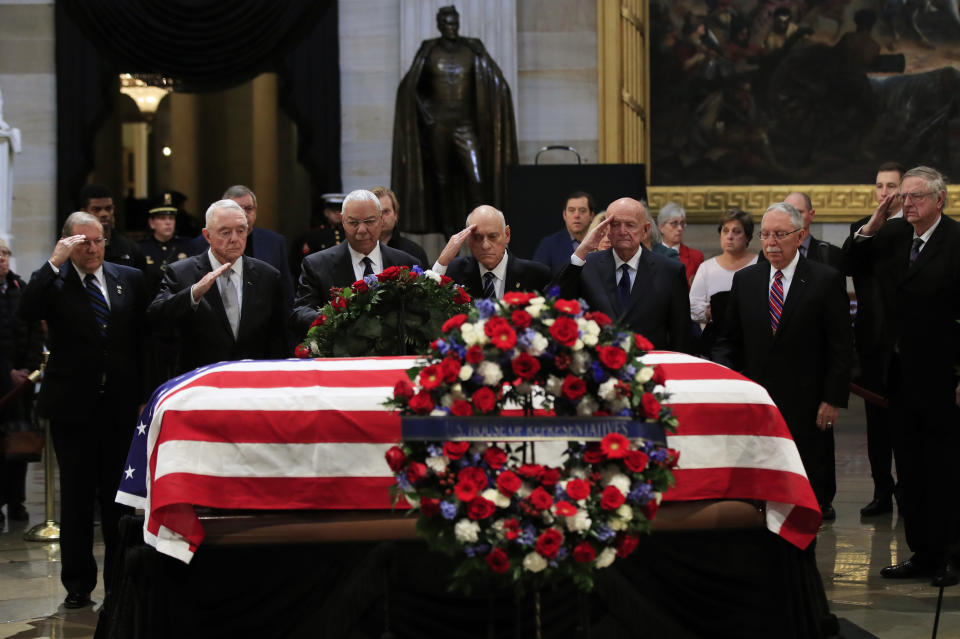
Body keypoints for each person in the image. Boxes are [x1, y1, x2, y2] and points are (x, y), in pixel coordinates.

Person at [20, 211, 147, 609]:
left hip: (120, 407)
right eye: (82, 242)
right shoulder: (54, 283)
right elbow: (25, 311)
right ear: (67, 243)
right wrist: (54, 261)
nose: (92, 249)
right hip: (73, 407)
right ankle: (77, 584)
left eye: (97, 240)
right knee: (76, 499)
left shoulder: (129, 279)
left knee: (118, 500)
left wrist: (145, 393)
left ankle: (118, 579)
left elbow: (144, 340)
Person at [844, 166, 960, 587]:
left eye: (915, 197)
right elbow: (848, 263)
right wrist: (874, 223)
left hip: (943, 375)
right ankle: (922, 552)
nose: (906, 204)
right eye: (903, 197)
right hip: (898, 375)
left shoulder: (955, 241)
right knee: (909, 468)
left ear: (939, 200)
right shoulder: (892, 235)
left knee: (945, 468)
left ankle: (952, 555)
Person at [713, 202, 852, 522]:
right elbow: (728, 341)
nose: (771, 242)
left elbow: (840, 346)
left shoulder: (825, 279)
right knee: (761, 483)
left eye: (780, 234)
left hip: (809, 400)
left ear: (800, 235)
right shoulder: (746, 280)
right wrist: (727, 382)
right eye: (765, 235)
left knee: (808, 486)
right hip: (758, 400)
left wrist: (832, 398)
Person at [391, 5, 518, 235]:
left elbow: (496, 81)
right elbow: (411, 88)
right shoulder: (429, 50)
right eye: (448, 23)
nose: (452, 28)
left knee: (477, 179)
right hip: (438, 126)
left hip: (465, 125)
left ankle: (483, 229)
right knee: (443, 181)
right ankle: (450, 234)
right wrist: (425, 112)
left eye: (455, 23)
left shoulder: (472, 49)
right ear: (440, 25)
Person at [148, 200, 287, 375]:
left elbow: (277, 338)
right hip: (200, 382)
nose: (234, 239)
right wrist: (194, 294)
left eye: (241, 231)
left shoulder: (267, 275)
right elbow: (156, 317)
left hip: (253, 382)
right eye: (225, 232)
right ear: (207, 236)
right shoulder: (182, 273)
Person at [554, 197, 690, 351]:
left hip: (651, 365)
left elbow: (681, 335)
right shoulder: (587, 266)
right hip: (599, 365)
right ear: (606, 229)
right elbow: (556, 301)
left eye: (630, 225)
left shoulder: (670, 271)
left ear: (645, 230)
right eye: (615, 225)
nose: (622, 231)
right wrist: (581, 252)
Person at [848, 161, 905, 517]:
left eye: (891, 187)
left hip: (907, 343)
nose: (884, 193)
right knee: (876, 425)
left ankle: (910, 494)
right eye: (880, 186)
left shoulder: (915, 229)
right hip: (872, 342)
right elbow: (846, 265)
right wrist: (872, 226)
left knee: (907, 423)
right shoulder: (863, 230)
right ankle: (882, 491)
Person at [290, 189, 422, 337]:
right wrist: (331, 320)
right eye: (353, 223)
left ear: (380, 219)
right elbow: (300, 312)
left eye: (369, 222)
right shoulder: (317, 265)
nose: (361, 230)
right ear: (342, 220)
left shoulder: (406, 263)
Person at [188, 185, 293, 320]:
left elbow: (286, 293)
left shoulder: (275, 242)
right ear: (208, 236)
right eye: (236, 208)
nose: (244, 213)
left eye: (248, 208)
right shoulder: (198, 245)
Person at [0, 239, 43, 524]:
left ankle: (17, 501)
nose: (2, 258)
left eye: (5, 253)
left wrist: (27, 369)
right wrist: (6, 372)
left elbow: (34, 330)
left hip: (22, 383)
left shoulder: (21, 288)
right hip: (1, 382)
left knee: (20, 441)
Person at [431, 205, 550, 300]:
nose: (485, 245)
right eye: (477, 237)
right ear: (467, 239)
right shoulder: (454, 272)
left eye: (492, 236)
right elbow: (426, 306)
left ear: (507, 234)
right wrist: (443, 261)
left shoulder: (536, 276)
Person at [689, 208, 758, 354]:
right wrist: (710, 313)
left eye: (736, 231)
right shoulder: (706, 268)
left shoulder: (759, 265)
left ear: (748, 237)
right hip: (716, 343)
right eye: (725, 231)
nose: (730, 236)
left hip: (751, 340)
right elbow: (693, 307)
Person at [79, 184, 146, 272]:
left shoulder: (130, 249)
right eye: (96, 209)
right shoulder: (76, 249)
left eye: (108, 208)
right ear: (84, 212)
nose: (104, 214)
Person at [532, 191, 597, 276]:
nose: (576, 215)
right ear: (564, 215)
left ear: (592, 216)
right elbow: (536, 277)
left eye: (582, 211)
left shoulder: (601, 242)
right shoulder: (548, 245)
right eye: (571, 210)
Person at [138, 194, 191, 297]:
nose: (168, 222)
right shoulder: (141, 248)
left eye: (171, 218)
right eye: (162, 218)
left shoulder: (187, 245)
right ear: (152, 223)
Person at [783, 192, 844, 269]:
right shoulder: (771, 254)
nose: (794, 217)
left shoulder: (831, 254)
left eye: (799, 212)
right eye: (789, 213)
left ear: (811, 215)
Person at [372, 186, 428, 265]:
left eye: (386, 211)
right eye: (377, 212)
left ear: (395, 215)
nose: (381, 217)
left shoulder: (414, 253)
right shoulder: (359, 250)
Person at [658, 202, 704, 284]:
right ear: (661, 227)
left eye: (682, 223)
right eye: (674, 223)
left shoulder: (696, 257)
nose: (680, 228)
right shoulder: (651, 253)